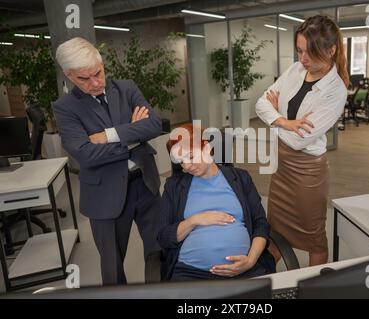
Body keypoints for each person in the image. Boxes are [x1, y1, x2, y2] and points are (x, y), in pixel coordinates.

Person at [53, 37, 162, 285]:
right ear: (68, 75)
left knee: (159, 251)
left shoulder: (126, 88)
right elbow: (85, 154)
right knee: (112, 265)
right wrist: (133, 134)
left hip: (146, 184)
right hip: (104, 194)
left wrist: (109, 136)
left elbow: (154, 125)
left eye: (98, 73)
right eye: (84, 78)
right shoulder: (64, 107)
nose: (95, 83)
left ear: (102, 65)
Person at [255, 16, 349, 266]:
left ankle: (312, 288)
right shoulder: (295, 70)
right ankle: (265, 283)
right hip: (281, 169)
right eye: (299, 50)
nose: (303, 59)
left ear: (331, 50)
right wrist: (284, 122)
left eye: (311, 52)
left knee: (314, 239)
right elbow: (260, 103)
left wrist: (272, 119)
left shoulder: (335, 90)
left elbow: (300, 141)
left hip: (307, 173)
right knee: (275, 233)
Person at [157, 124, 276, 281]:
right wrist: (195, 220)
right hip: (191, 273)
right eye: (181, 161)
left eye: (191, 157)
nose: (186, 166)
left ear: (206, 147)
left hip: (244, 270)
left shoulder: (241, 178)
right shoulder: (174, 186)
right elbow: (163, 237)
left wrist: (250, 261)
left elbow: (260, 224)